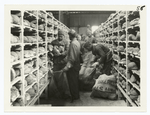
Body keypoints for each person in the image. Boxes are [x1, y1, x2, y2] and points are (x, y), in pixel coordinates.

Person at [62, 29, 81, 102]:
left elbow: (72, 58)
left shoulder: (73, 44)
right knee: (75, 81)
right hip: (77, 65)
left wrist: (67, 67)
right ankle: (76, 95)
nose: (68, 36)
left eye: (69, 35)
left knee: (72, 82)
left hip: (73, 66)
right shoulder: (77, 42)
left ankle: (74, 97)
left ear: (71, 35)